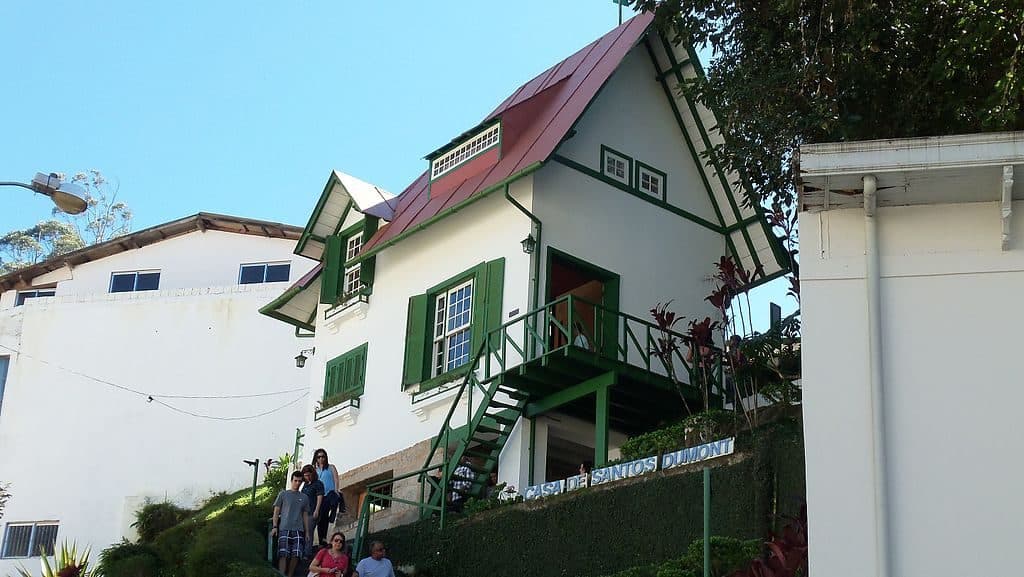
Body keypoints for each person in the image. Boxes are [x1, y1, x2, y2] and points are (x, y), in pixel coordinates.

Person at [271, 470, 311, 577]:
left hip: (299, 529)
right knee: (283, 553)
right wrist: (275, 526)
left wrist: (307, 532)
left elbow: (305, 515)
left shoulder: (304, 497)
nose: (297, 483)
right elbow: (276, 511)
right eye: (295, 480)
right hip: (284, 527)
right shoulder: (283, 494)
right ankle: (281, 574)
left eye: (299, 481)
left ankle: (290, 574)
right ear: (291, 481)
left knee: (296, 554)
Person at [314, 448, 345, 545]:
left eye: (323, 456)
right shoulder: (315, 470)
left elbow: (336, 479)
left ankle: (333, 514)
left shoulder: (331, 467)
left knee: (327, 514)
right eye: (319, 457)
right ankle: (321, 539)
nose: (321, 458)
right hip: (320, 496)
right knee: (321, 518)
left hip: (330, 494)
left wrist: (336, 490)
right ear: (316, 458)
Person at [300, 464, 324, 552]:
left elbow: (319, 497)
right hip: (304, 512)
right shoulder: (305, 485)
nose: (307, 477)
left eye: (309, 475)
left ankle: (307, 552)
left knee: (309, 532)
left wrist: (317, 510)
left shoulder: (318, 484)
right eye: (305, 475)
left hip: (312, 511)